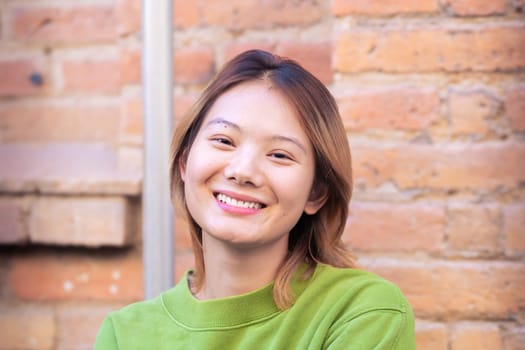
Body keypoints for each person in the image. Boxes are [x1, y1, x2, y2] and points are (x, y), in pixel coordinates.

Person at [94, 49, 415, 349]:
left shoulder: (363, 312)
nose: (243, 171)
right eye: (223, 140)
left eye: (279, 155)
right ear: (184, 161)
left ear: (316, 193)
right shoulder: (125, 335)